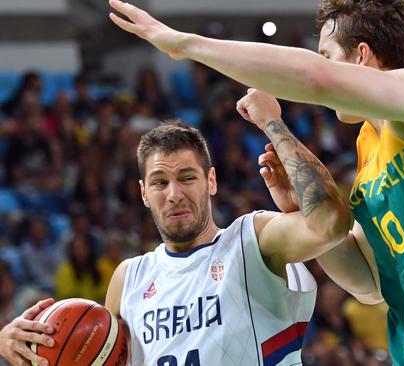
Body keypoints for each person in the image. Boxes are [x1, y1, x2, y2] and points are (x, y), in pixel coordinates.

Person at [107, 0, 404, 364]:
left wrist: (181, 43)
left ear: (360, 57)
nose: (320, 64)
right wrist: (296, 210)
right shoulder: (369, 151)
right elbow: (368, 284)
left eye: (327, 52)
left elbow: (317, 79)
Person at [0, 90, 355, 365]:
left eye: (187, 177)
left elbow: (331, 225)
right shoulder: (129, 278)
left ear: (211, 181)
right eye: (159, 182)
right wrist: (16, 345)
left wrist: (275, 126)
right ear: (143, 193)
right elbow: (87, 351)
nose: (174, 195)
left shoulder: (253, 239)